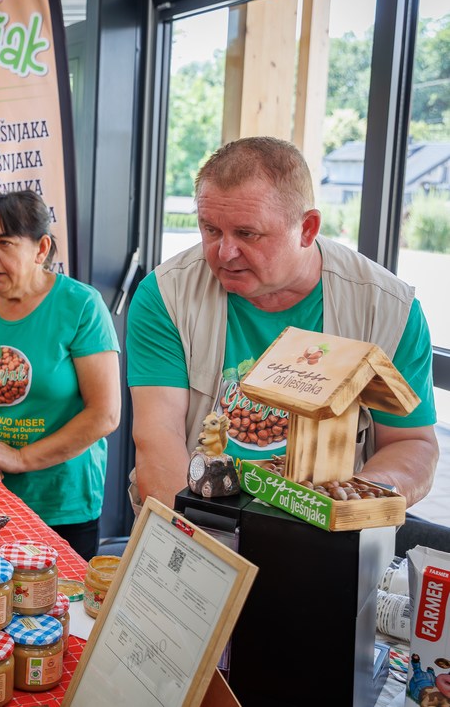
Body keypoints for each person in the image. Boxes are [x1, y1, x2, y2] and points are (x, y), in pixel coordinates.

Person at [126, 136, 438, 510]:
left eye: (247, 233)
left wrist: (347, 504)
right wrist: (197, 539)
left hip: (324, 533)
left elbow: (410, 442)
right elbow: (158, 440)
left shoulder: (389, 309)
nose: (224, 252)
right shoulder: (166, 294)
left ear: (307, 228)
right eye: (210, 229)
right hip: (199, 519)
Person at [0, 190, 121, 560]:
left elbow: (104, 415)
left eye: (5, 243)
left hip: (60, 501)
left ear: (41, 248)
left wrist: (20, 457)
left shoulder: (81, 306)